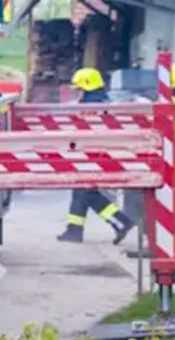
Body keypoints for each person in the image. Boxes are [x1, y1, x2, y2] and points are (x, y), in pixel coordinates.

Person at [57, 68, 136, 244]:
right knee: (82, 191)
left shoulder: (90, 107)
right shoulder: (100, 102)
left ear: (86, 87)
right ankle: (74, 230)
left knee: (86, 191)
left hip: (93, 155)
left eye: (79, 89)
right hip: (95, 154)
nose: (76, 93)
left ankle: (120, 222)